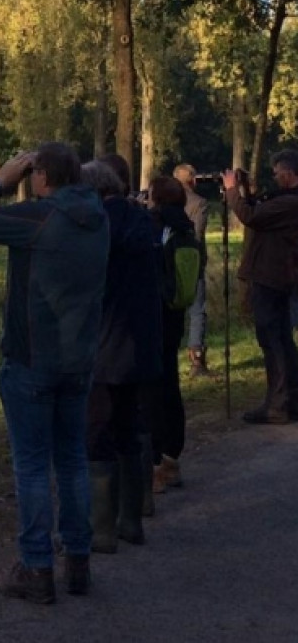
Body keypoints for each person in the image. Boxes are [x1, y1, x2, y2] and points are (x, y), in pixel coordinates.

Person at [0, 143, 109, 603]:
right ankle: (78, 561)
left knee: (34, 467)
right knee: (73, 459)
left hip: (34, 358)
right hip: (80, 360)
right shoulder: (99, 218)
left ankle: (37, 567)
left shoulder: (40, 218)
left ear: (40, 175)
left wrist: (0, 181)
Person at [80, 160, 162, 554]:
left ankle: (102, 530)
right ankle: (132, 520)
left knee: (97, 431)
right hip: (142, 343)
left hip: (105, 341)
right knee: (130, 427)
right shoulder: (143, 221)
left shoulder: (98, 225)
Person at [223, 151, 298, 424]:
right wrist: (244, 188)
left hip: (270, 276)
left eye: (277, 172)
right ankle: (289, 399)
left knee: (272, 340)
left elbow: (251, 216)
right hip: (278, 275)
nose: (275, 176)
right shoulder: (286, 201)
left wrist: (232, 191)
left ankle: (278, 404)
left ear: (289, 173)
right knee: (282, 340)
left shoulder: (290, 203)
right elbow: (260, 210)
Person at [145, 176, 195, 493]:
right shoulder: (186, 228)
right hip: (176, 312)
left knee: (151, 389)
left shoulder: (157, 227)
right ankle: (172, 458)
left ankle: (154, 465)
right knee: (171, 384)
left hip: (155, 312)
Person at [173, 164, 210, 376]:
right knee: (197, 310)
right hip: (192, 263)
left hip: (168, 263)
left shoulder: (159, 201)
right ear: (193, 180)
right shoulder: (199, 203)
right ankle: (196, 358)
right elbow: (198, 234)